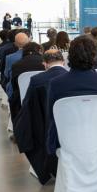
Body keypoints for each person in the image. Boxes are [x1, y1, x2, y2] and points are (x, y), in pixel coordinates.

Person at [46, 36, 97, 155]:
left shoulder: (56, 83)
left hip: (66, 141)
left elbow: (51, 116)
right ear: (94, 55)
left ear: (69, 55)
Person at [14, 49, 67, 184]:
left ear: (45, 64)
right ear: (64, 61)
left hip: (48, 131)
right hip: (74, 131)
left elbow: (28, 108)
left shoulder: (37, 80)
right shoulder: (74, 79)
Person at [8, 42, 45, 122]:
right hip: (43, 97)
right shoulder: (45, 63)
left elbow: (14, 85)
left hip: (22, 98)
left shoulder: (16, 65)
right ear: (39, 50)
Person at [4, 32, 30, 97]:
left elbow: (6, 74)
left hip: (15, 89)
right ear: (29, 42)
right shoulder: (37, 57)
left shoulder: (10, 57)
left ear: (15, 44)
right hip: (31, 88)